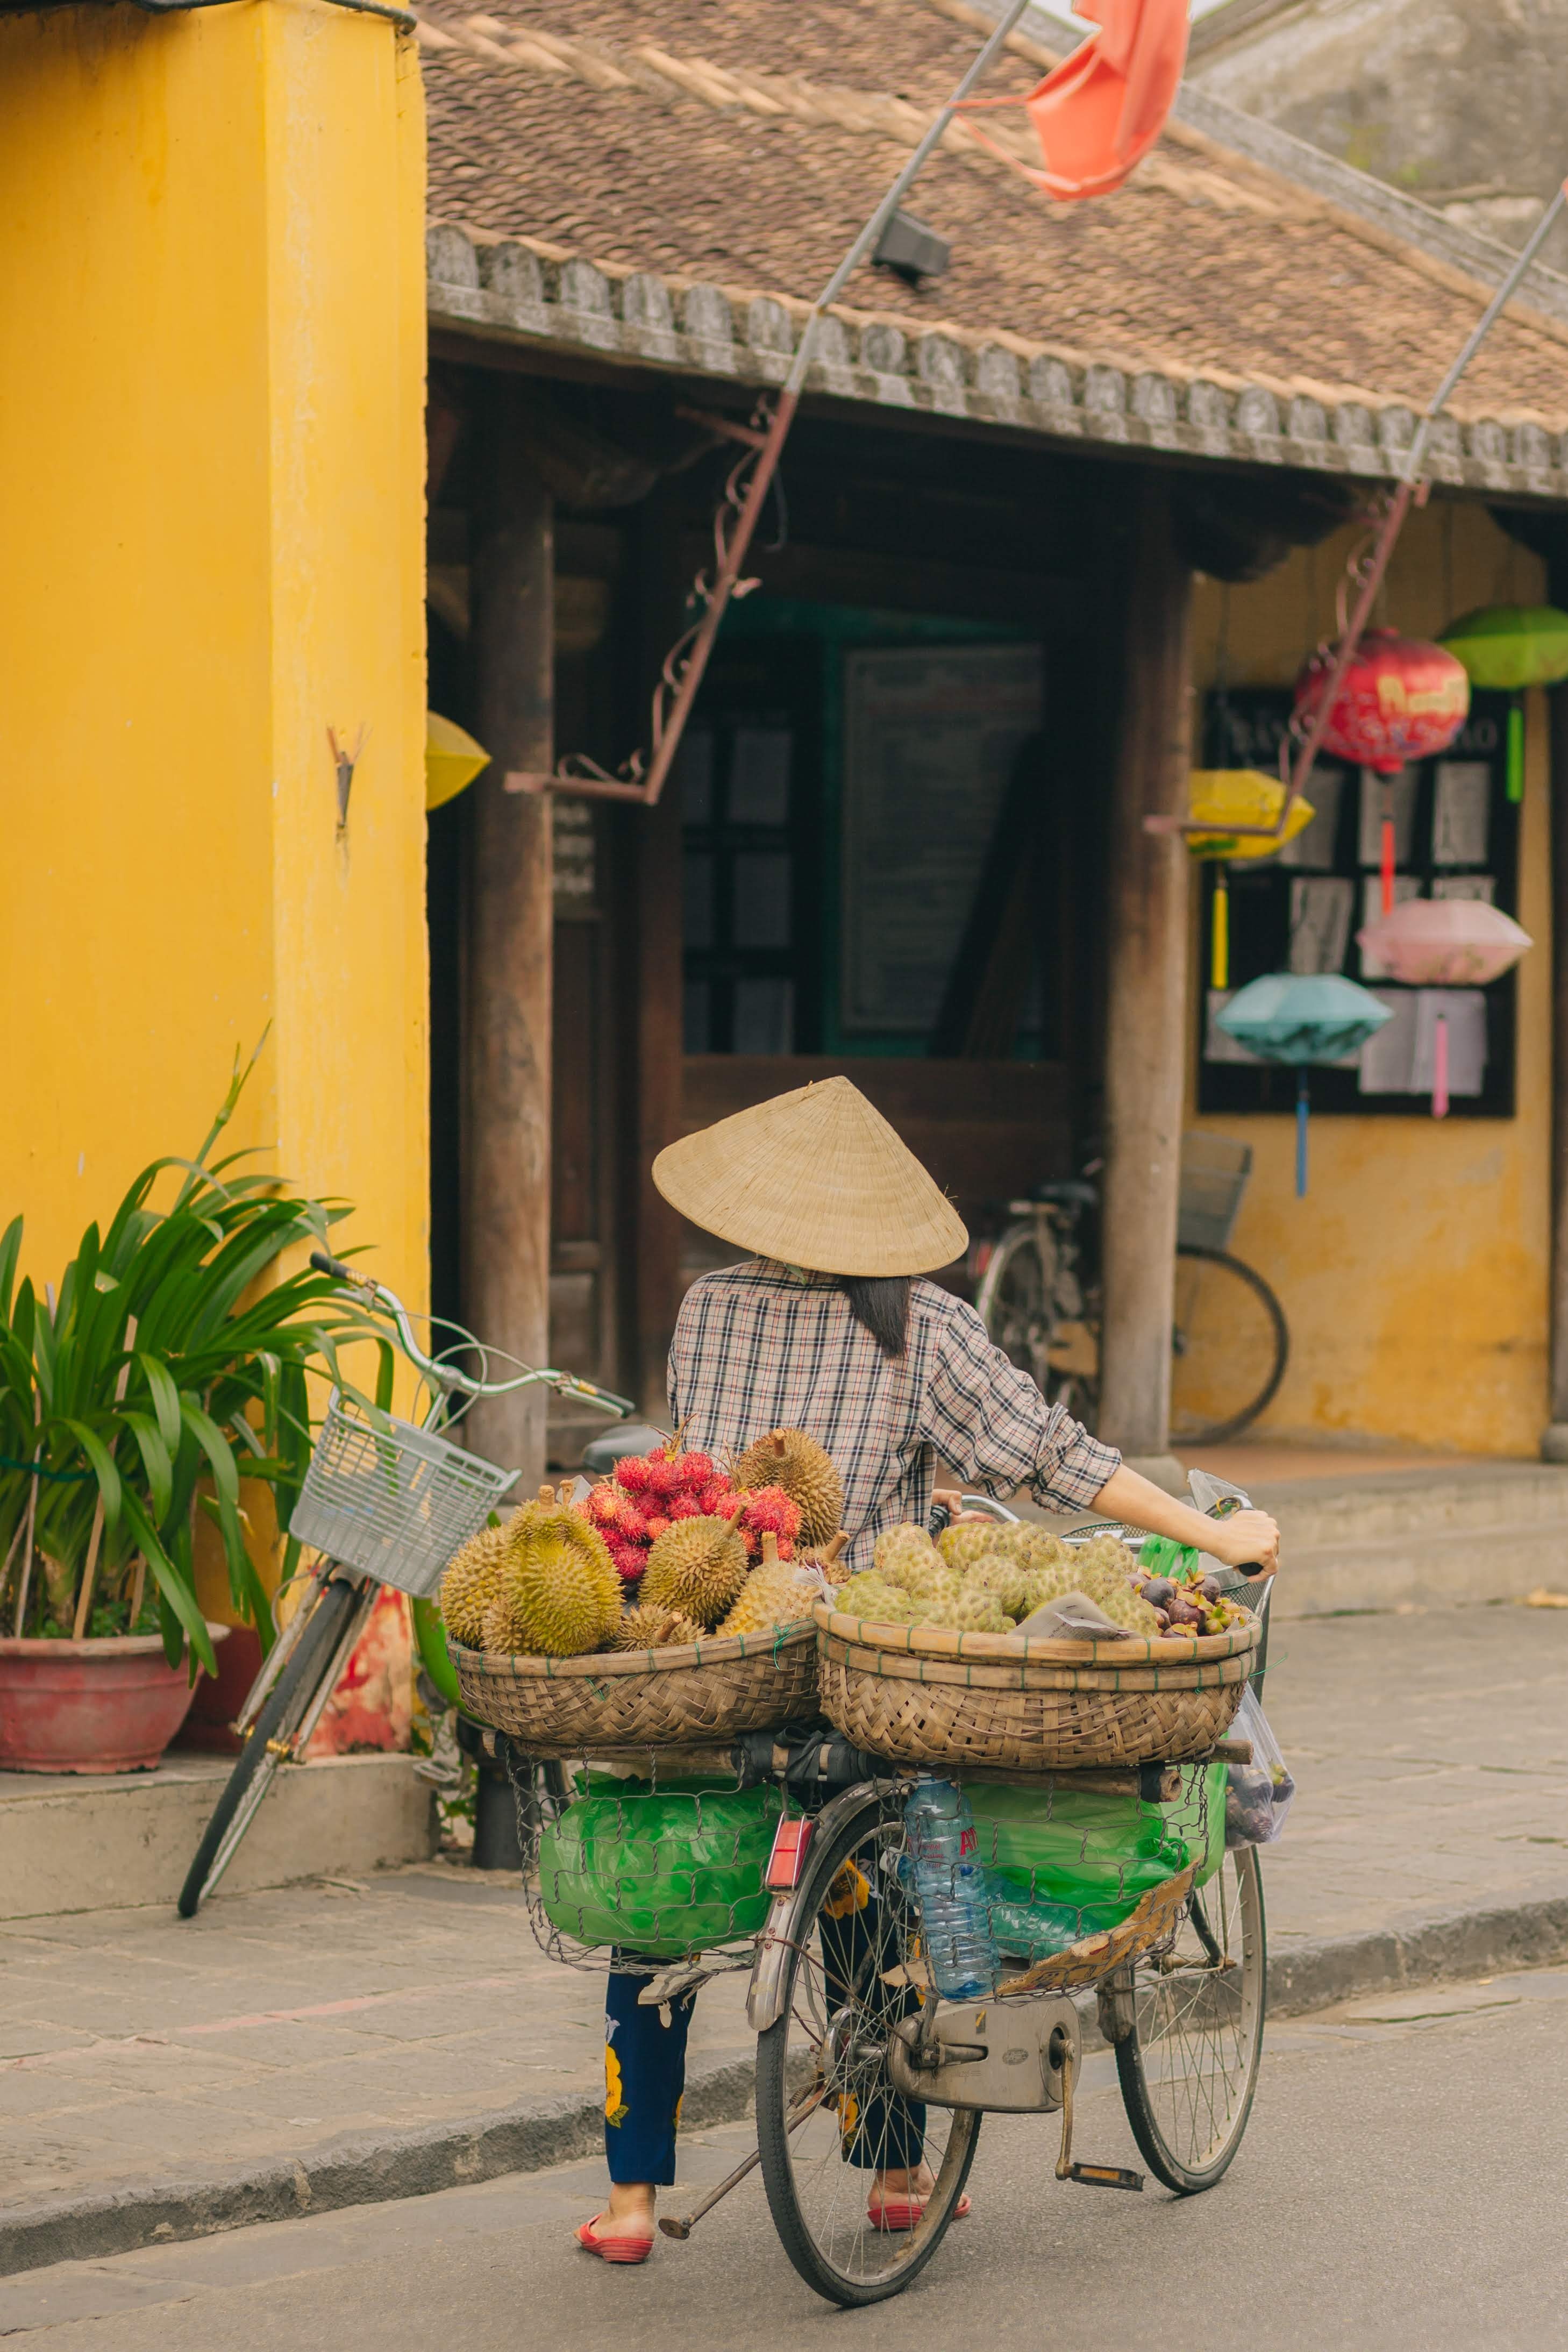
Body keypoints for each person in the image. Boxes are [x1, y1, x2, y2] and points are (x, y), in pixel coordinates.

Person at [576, 1076, 1280, 2263]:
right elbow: (1055, 1459)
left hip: (718, 1642)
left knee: (655, 1909)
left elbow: (725, 1467)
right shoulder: (924, 1327)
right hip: (857, 1660)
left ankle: (631, 2205)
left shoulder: (707, 1307)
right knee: (876, 1882)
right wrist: (1215, 1532)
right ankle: (902, 2178)